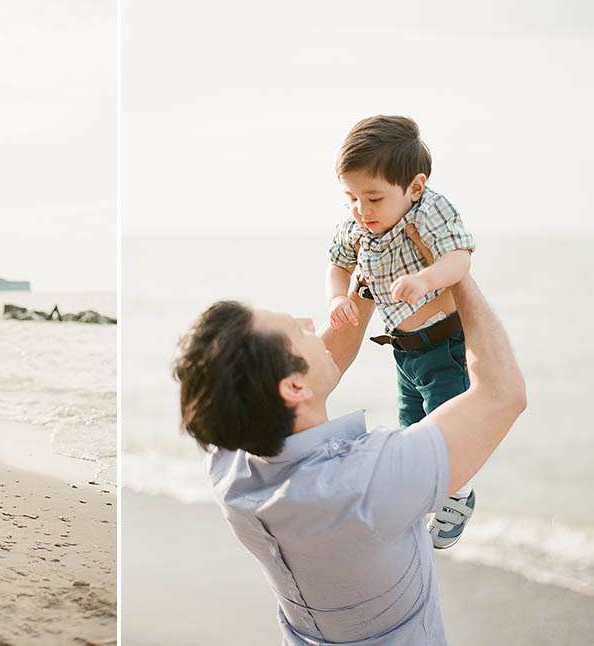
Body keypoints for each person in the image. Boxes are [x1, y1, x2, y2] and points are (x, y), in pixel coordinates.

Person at [173, 273, 526, 644]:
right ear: (293, 387)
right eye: (297, 329)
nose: (311, 323)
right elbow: (503, 394)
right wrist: (456, 271)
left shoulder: (229, 464)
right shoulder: (364, 485)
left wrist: (366, 279)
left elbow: (316, 368)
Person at [327, 115, 477, 548]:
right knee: (412, 426)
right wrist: (339, 298)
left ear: (414, 187)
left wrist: (427, 279)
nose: (361, 210)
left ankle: (459, 494)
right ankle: (423, 491)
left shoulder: (430, 210)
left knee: (448, 423)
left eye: (373, 198)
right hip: (403, 351)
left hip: (443, 343)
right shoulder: (358, 226)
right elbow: (338, 264)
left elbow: (460, 257)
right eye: (351, 197)